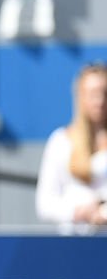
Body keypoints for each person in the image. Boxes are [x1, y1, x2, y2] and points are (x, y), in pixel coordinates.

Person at [36, 63, 107, 227]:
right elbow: (45, 204)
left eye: (105, 93)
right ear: (80, 97)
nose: (100, 101)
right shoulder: (60, 141)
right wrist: (81, 211)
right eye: (93, 94)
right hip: (74, 240)